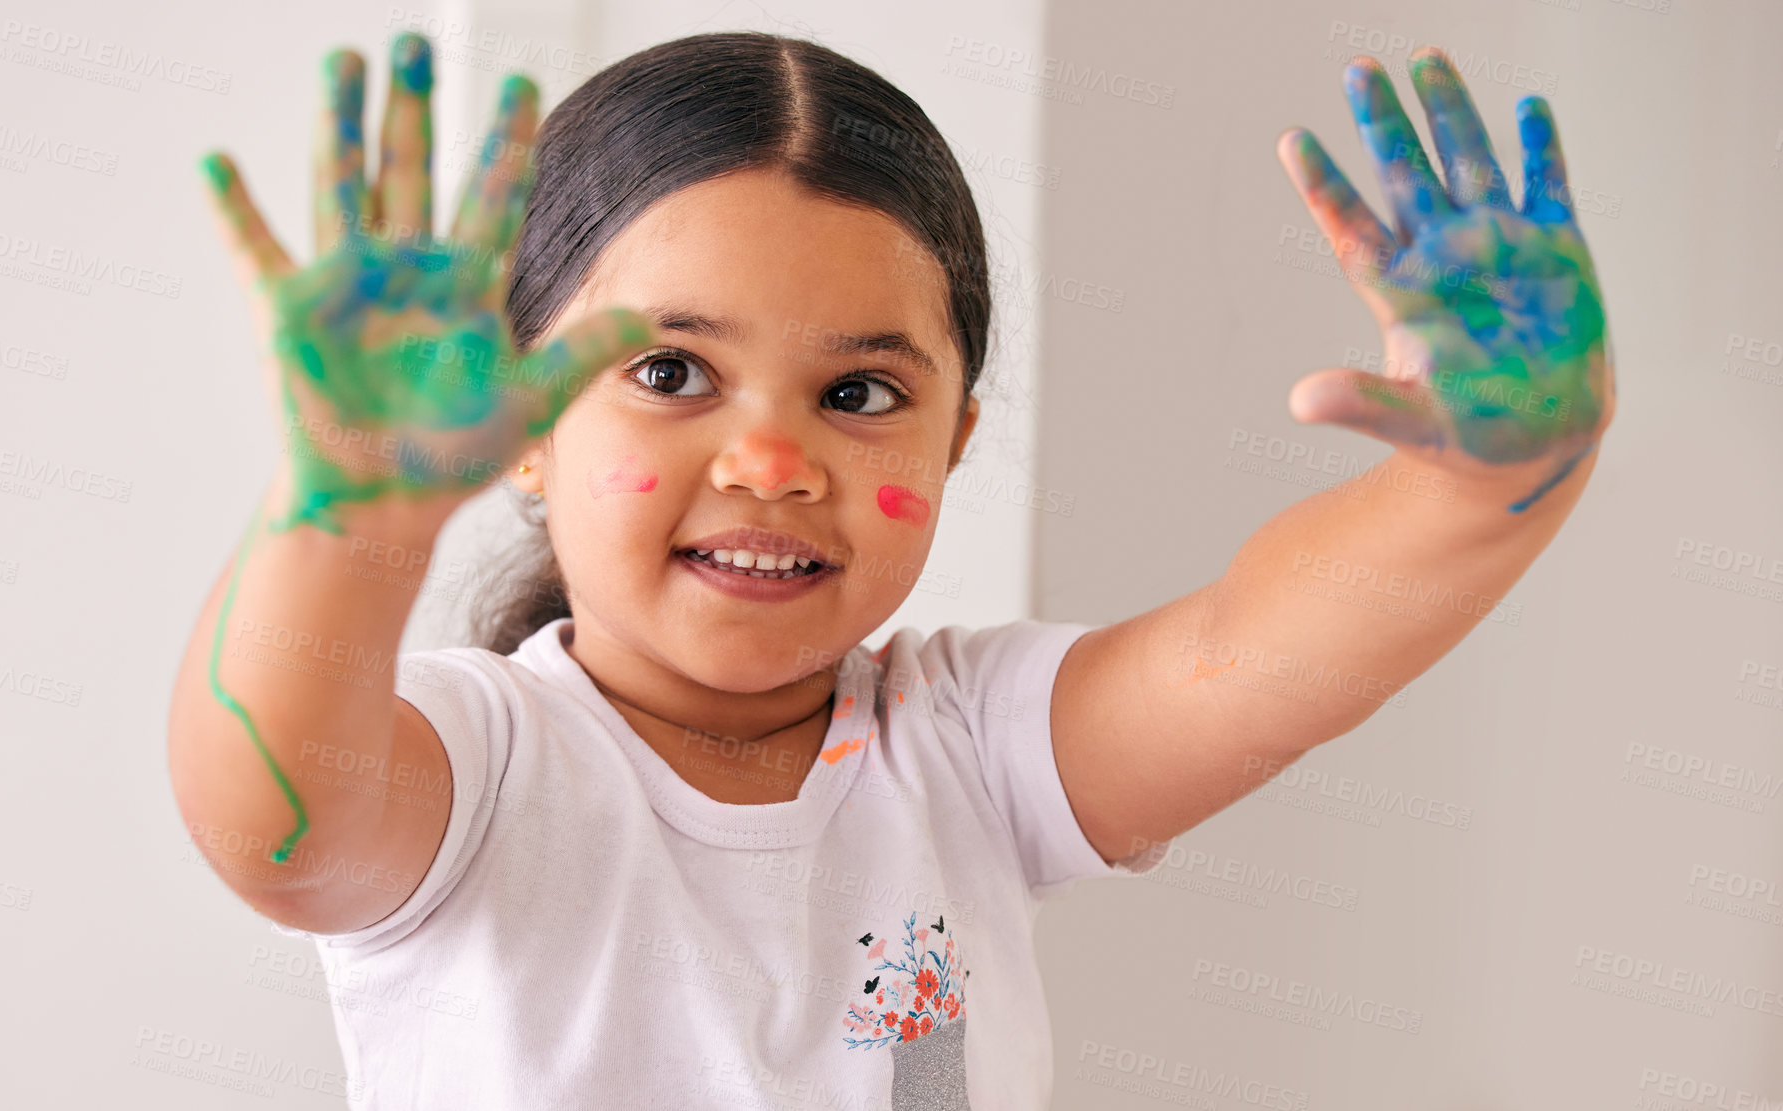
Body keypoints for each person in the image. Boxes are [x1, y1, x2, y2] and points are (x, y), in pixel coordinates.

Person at [167, 27, 1614, 1110]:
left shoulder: (969, 750)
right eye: (672, 371)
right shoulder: (484, 770)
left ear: (960, 434)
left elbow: (1262, 654)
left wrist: (1486, 479)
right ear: (525, 428)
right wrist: (352, 510)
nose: (772, 462)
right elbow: (275, 823)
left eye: (859, 395)